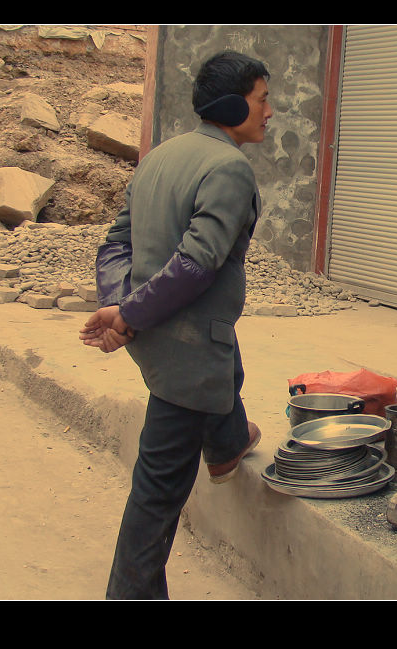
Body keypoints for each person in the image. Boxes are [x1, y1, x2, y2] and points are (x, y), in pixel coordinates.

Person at [78, 50, 273, 599]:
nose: (271, 112)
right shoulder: (229, 168)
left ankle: (228, 443)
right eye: (263, 100)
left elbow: (116, 244)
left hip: (170, 338)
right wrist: (128, 314)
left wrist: (124, 310)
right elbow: (195, 264)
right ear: (234, 105)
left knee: (224, 353)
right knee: (157, 490)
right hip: (184, 349)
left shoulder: (159, 157)